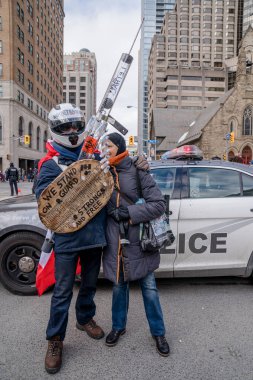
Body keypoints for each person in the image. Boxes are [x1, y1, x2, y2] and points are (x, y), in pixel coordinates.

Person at [35, 104, 148, 374]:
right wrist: (74, 175)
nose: (72, 131)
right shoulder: (49, 164)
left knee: (88, 286)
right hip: (66, 240)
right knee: (62, 293)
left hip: (95, 237)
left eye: (75, 126)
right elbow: (44, 201)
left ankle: (84, 318)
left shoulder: (98, 157)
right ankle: (55, 340)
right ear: (57, 131)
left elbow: (120, 175)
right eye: (66, 128)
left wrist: (139, 164)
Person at [102, 132, 170, 357]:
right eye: (103, 145)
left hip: (139, 240)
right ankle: (118, 327)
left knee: (149, 289)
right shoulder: (100, 172)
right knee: (118, 287)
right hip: (115, 240)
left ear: (120, 146)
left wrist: (129, 212)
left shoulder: (138, 170)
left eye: (108, 145)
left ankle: (159, 333)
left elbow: (158, 204)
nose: (105, 149)